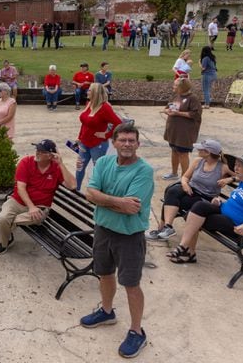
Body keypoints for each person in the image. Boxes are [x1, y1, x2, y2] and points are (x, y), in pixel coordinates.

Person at [80, 123, 154, 359]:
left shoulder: (144, 171)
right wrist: (118, 202)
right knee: (104, 273)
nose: (127, 144)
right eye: (122, 140)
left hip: (129, 236)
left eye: (132, 141)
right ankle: (107, 311)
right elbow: (89, 193)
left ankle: (136, 331)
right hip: (103, 230)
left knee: (131, 284)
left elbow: (132, 209)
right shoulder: (103, 163)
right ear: (114, 143)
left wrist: (103, 199)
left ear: (138, 144)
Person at [166, 154, 243, 264]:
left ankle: (188, 252)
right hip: (224, 211)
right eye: (235, 165)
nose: (235, 168)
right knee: (199, 206)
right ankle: (184, 248)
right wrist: (220, 200)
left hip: (239, 225)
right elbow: (238, 195)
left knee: (193, 217)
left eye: (239, 166)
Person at [0, 139, 75, 254]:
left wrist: (61, 164)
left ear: (50, 155)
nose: (37, 152)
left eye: (41, 151)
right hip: (17, 201)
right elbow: (21, 188)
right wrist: (31, 207)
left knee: (4, 221)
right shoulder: (26, 162)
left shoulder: (56, 169)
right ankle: (5, 241)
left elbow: (72, 185)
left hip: (40, 207)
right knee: (3, 219)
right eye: (37, 149)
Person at [146, 139, 233, 241]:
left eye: (200, 149)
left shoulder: (223, 167)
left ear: (208, 152)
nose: (197, 150)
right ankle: (167, 227)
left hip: (205, 198)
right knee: (172, 191)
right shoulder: (198, 161)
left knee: (176, 200)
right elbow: (185, 177)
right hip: (191, 190)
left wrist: (231, 178)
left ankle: (163, 229)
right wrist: (184, 183)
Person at [74, 83, 123, 191]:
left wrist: (107, 134)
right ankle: (75, 189)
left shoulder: (105, 107)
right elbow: (84, 123)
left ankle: (97, 192)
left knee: (98, 169)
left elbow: (119, 123)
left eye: (90, 90)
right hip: (84, 143)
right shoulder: (89, 103)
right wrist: (79, 137)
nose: (87, 92)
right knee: (80, 166)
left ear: (95, 93)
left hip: (98, 144)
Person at [162, 78, 203, 180]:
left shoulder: (192, 99)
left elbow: (196, 114)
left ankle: (185, 177)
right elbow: (167, 108)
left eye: (175, 85)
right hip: (173, 131)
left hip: (185, 133)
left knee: (183, 153)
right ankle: (174, 173)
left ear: (182, 87)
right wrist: (167, 111)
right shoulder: (176, 96)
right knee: (174, 151)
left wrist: (178, 113)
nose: (173, 87)